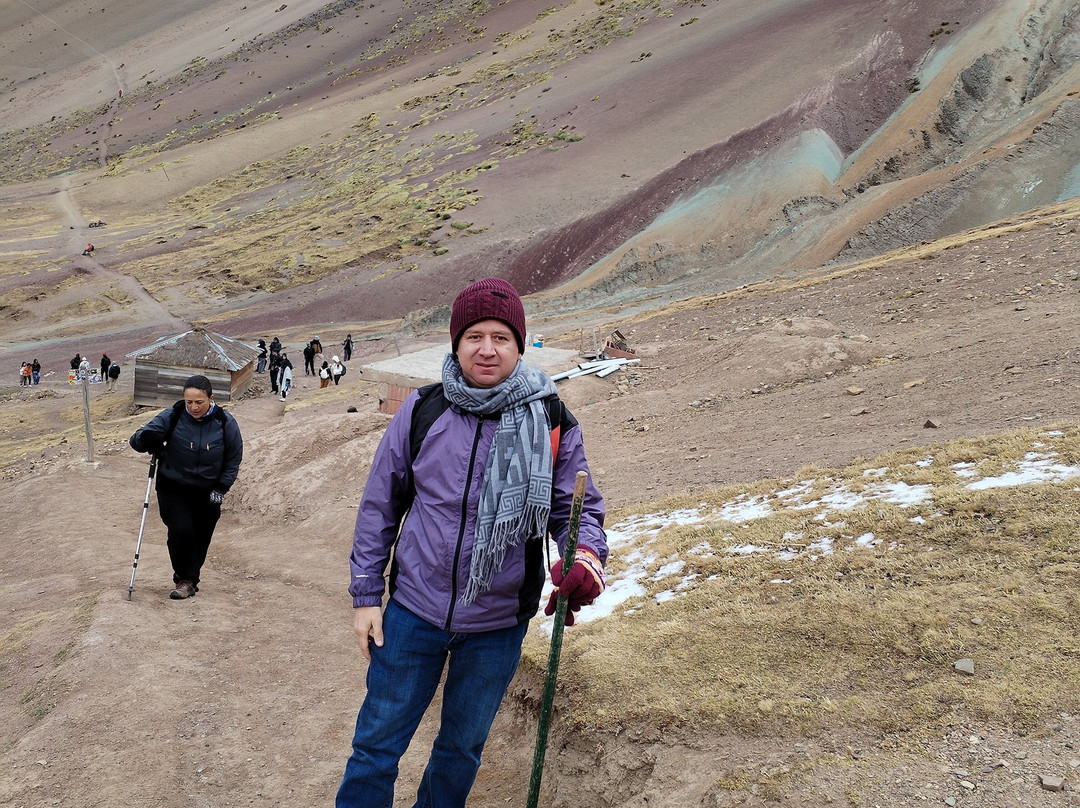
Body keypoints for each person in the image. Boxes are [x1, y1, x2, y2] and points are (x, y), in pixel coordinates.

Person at [336, 277, 608, 808]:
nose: (487, 349)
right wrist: (366, 595)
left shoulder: (551, 420)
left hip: (497, 624)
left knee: (461, 749)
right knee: (375, 747)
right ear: (456, 343)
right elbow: (380, 506)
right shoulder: (423, 409)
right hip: (413, 612)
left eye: (501, 337)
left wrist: (584, 555)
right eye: (474, 336)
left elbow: (574, 509)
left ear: (519, 345)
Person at [128, 375, 243, 600]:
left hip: (208, 489)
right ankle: (186, 580)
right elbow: (137, 439)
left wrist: (221, 487)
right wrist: (147, 439)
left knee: (201, 536)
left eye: (199, 402)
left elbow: (233, 458)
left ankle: (189, 577)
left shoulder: (225, 422)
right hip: (173, 486)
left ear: (211, 398)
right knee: (180, 531)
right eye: (189, 401)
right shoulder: (173, 415)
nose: (193, 407)